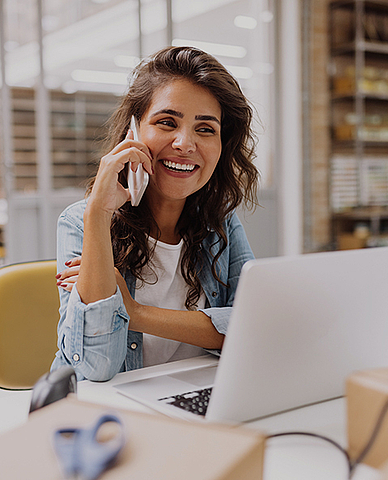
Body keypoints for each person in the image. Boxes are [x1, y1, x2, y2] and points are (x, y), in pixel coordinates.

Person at [51, 46, 260, 381]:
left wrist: (134, 313)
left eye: (205, 129)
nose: (185, 143)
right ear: (132, 133)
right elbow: (94, 367)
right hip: (112, 411)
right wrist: (98, 213)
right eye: (167, 122)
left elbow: (252, 329)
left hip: (194, 397)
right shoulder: (81, 221)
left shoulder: (219, 222)